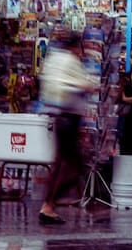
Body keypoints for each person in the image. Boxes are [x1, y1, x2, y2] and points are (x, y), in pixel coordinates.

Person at [37, 33, 97, 224]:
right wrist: (88, 86)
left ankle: (49, 205)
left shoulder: (53, 60)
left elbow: (49, 86)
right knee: (74, 164)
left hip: (59, 116)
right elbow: (76, 85)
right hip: (68, 117)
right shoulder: (70, 61)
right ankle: (49, 204)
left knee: (63, 162)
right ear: (76, 47)